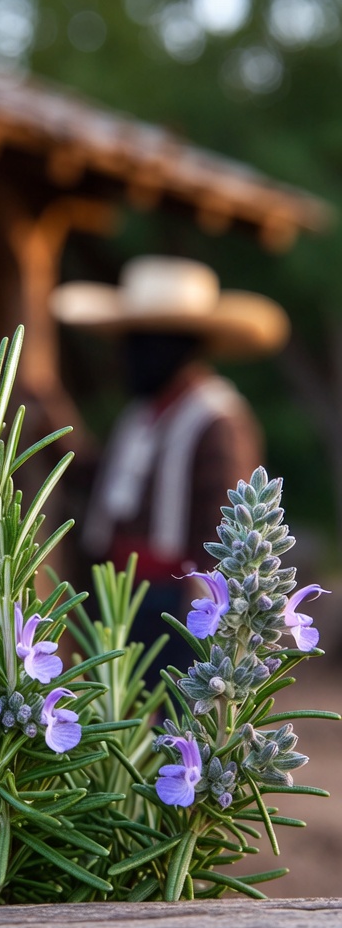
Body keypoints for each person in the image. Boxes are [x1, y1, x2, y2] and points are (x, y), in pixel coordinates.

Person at [49, 255, 290, 669]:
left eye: (139, 344)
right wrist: (53, 421)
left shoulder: (219, 419)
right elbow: (103, 479)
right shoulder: (141, 415)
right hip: (120, 590)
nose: (126, 357)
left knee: (175, 715)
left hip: (176, 598)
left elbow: (230, 521)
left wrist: (204, 607)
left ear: (178, 349)